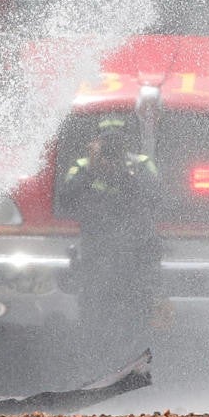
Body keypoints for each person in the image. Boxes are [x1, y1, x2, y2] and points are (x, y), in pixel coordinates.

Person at [60, 115, 166, 353]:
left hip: (135, 252)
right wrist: (92, 170)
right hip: (96, 251)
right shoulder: (83, 166)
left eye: (117, 140)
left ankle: (135, 351)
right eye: (106, 140)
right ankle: (93, 353)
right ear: (95, 142)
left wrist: (126, 174)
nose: (112, 146)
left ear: (127, 141)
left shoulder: (141, 164)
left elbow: (155, 197)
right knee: (93, 306)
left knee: (137, 305)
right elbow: (66, 199)